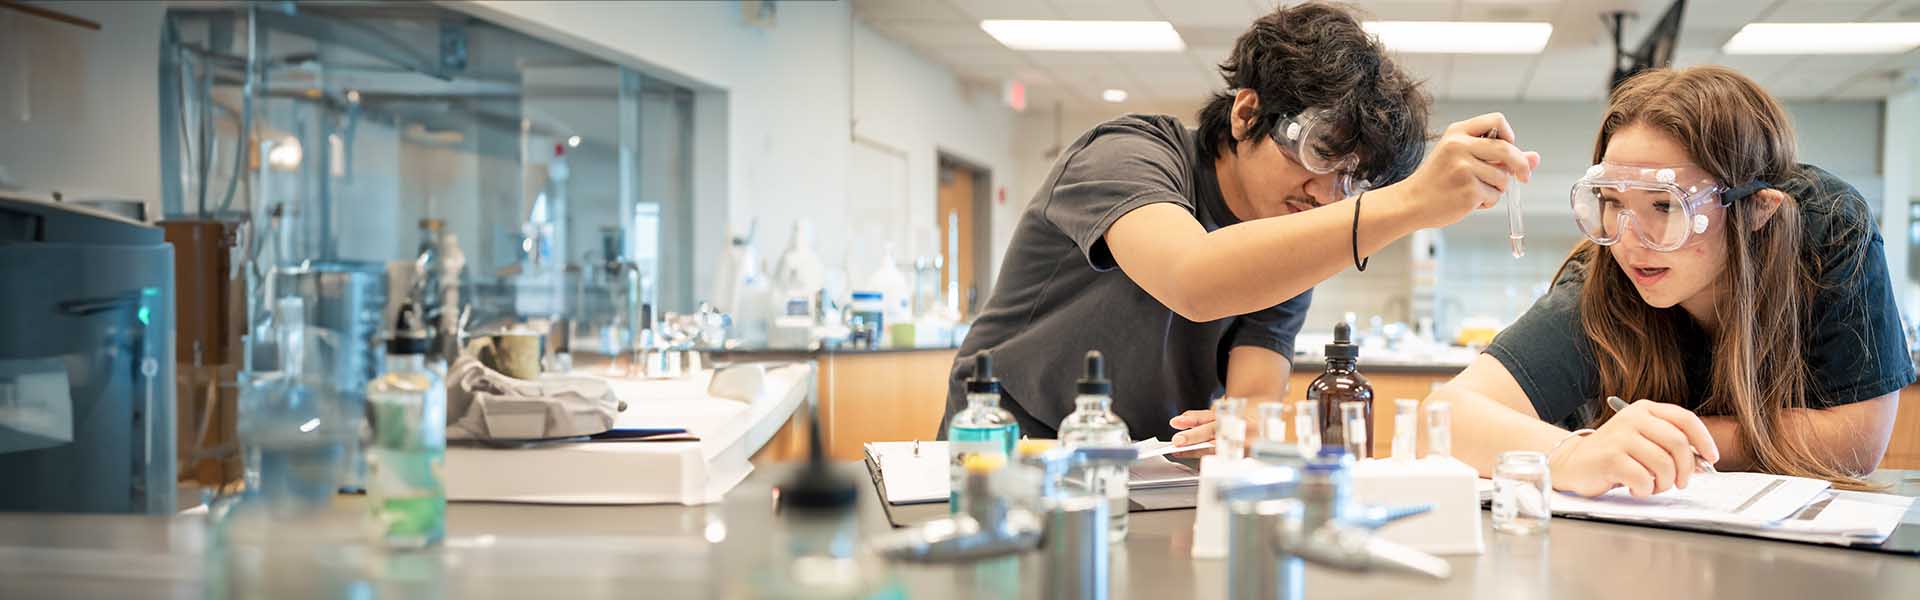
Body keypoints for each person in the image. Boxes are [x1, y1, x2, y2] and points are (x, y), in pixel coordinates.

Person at [938, 2, 1539, 443]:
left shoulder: (1289, 243)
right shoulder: (1126, 155)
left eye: (1353, 180)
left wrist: (1246, 421)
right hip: (1006, 437)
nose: (1328, 195)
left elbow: (1253, 393)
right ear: (1248, 114)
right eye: (1320, 153)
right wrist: (1411, 202)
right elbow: (1194, 279)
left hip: (1144, 461)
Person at [1426, 65, 1911, 496]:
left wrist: (1661, 440)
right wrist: (1574, 455)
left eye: (1665, 205)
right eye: (1612, 203)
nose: (1629, 242)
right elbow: (1445, 418)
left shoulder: (1828, 233)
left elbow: (1856, 442)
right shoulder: (1602, 283)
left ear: (1760, 208)